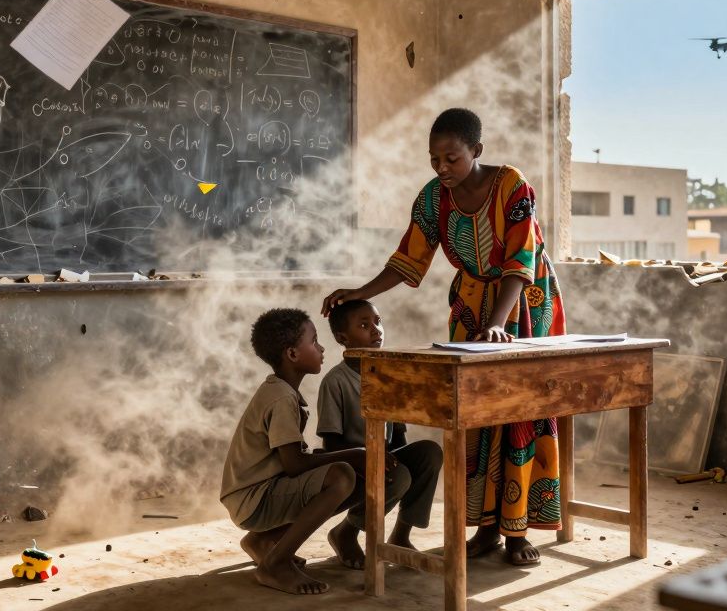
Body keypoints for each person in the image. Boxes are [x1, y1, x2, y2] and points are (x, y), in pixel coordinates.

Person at [320, 108, 566, 566]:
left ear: (476, 151)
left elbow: (520, 263)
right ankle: (485, 527)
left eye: (451, 158)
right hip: (469, 309)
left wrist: (498, 322)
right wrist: (359, 291)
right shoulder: (434, 198)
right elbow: (408, 261)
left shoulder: (513, 186)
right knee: (473, 417)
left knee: (520, 414)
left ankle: (517, 532)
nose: (441, 168)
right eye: (434, 159)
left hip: (521, 307)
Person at [219, 308, 391, 594]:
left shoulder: (283, 391)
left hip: (257, 493)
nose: (322, 348)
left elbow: (295, 460)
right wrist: (353, 454)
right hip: (254, 500)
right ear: (292, 354)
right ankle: (276, 563)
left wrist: (357, 455)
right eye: (314, 342)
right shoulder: (281, 399)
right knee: (342, 476)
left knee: (356, 476)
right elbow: (295, 465)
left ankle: (262, 542)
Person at [316, 298, 442, 569]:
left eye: (378, 321)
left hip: (383, 455)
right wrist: (370, 458)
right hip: (352, 461)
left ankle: (400, 536)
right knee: (399, 475)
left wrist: (402, 459)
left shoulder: (387, 374)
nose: (376, 330)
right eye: (364, 325)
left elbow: (397, 432)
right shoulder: (335, 382)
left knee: (430, 454)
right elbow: (330, 441)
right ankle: (346, 531)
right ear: (342, 337)